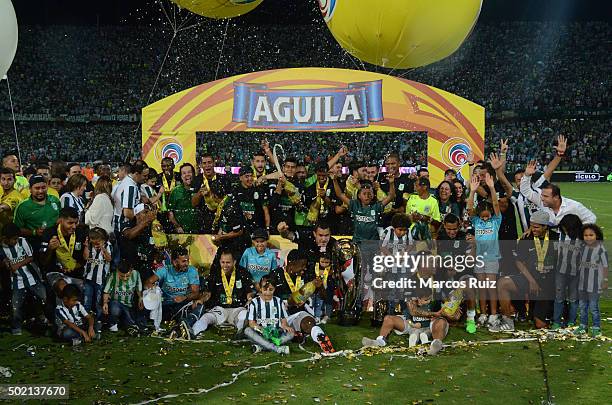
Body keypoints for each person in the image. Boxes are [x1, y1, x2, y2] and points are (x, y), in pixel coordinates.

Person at [494, 210, 560, 332]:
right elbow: (518, 261)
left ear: (545, 226)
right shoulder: (526, 238)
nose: (533, 229)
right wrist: (531, 281)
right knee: (502, 283)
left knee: (539, 325)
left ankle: (548, 315)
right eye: (531, 226)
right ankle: (508, 322)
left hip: (548, 285)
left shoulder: (557, 238)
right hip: (530, 278)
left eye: (536, 227)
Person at [269, 249, 335, 353]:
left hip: (296, 316)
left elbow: (325, 297)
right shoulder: (275, 275)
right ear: (291, 263)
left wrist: (320, 286)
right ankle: (295, 335)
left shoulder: (306, 275)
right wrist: (290, 301)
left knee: (309, 321)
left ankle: (322, 339)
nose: (304, 268)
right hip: (279, 317)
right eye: (302, 265)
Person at [362, 286, 461, 355]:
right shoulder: (411, 302)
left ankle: (436, 344)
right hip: (414, 325)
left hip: (429, 326)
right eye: (426, 299)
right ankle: (380, 342)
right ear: (418, 299)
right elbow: (411, 314)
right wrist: (411, 324)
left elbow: (446, 313)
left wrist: (452, 316)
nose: (429, 301)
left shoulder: (436, 301)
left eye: (430, 299)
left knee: (441, 322)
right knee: (388, 318)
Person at [185, 250, 254, 339]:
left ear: (234, 262)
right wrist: (201, 300)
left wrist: (250, 299)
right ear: (220, 262)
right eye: (223, 262)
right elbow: (208, 292)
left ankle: (239, 333)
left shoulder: (243, 273)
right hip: (220, 309)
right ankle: (193, 333)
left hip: (238, 309)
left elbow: (249, 292)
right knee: (206, 317)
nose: (225, 265)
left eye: (228, 262)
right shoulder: (215, 273)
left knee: (244, 316)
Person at [467, 174, 502, 330]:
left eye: (488, 216)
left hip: (492, 258)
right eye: (483, 217)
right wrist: (472, 191)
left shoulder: (496, 220)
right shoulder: (477, 221)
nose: (486, 219)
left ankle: (493, 314)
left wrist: (492, 187)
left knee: (491, 287)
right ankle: (483, 313)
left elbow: (495, 203)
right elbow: (469, 209)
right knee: (481, 287)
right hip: (479, 259)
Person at [0, 223, 48, 335]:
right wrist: (4, 264)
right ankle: (16, 327)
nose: (16, 241)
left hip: (32, 277)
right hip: (16, 282)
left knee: (43, 298)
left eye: (16, 238)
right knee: (15, 306)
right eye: (13, 239)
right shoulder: (1, 249)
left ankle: (41, 318)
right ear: (5, 238)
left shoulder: (23, 241)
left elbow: (31, 257)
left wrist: (17, 265)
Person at [436, 214, 478, 333]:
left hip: (462, 275)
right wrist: (446, 268)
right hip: (446, 278)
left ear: (459, 226)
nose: (452, 232)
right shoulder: (440, 238)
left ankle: (471, 319)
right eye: (449, 229)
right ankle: (447, 307)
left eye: (455, 229)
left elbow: (471, 261)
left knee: (469, 285)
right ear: (444, 226)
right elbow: (438, 260)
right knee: (451, 317)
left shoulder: (465, 237)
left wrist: (474, 245)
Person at [519, 161, 596, 226]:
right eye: (542, 195)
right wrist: (526, 175)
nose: (542, 198)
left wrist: (578, 231)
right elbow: (525, 191)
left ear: (556, 197)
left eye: (546, 196)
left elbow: (591, 218)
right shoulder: (541, 202)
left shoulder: (573, 206)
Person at [331, 172, 396, 243]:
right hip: (357, 241)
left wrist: (391, 183)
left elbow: (390, 197)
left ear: (373, 195)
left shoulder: (376, 206)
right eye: (364, 194)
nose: (367, 196)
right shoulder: (354, 205)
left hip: (373, 242)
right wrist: (334, 180)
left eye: (369, 193)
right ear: (359, 195)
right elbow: (340, 194)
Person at [145, 247, 201, 322]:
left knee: (198, 306)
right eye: (183, 261)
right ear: (175, 262)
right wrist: (152, 289)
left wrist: (184, 297)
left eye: (188, 260)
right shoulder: (165, 270)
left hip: (183, 303)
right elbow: (148, 282)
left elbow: (196, 293)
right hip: (166, 302)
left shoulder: (192, 271)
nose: (187, 264)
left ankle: (182, 321)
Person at [244, 274, 294, 354]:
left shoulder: (279, 302)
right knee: (247, 330)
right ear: (260, 288)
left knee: (291, 332)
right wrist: (262, 329)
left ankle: (262, 346)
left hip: (276, 333)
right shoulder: (254, 302)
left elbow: (283, 319)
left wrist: (285, 325)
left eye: (271, 290)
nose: (267, 292)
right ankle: (276, 348)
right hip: (260, 333)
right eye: (265, 289)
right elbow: (251, 323)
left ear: (275, 289)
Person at [574, 224, 608, 337]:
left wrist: (605, 280)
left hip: (595, 284)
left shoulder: (601, 249)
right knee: (582, 306)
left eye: (591, 235)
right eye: (586, 235)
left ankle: (596, 327)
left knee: (593, 307)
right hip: (582, 283)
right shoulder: (582, 248)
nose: (588, 237)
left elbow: (605, 266)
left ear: (597, 235)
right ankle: (583, 326)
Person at [551, 214, 583, 329]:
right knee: (559, 297)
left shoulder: (581, 238)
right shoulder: (559, 234)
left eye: (566, 228)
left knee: (573, 299)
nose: (564, 229)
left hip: (576, 273)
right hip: (560, 271)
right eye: (563, 227)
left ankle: (571, 321)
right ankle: (556, 321)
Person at [13, 175, 61, 250]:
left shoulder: (55, 200)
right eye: (37, 188)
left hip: (56, 239)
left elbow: (61, 217)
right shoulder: (23, 207)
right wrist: (34, 232)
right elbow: (16, 229)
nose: (41, 191)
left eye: (43, 187)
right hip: (35, 243)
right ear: (30, 189)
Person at [39, 207, 88, 276]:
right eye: (70, 223)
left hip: (77, 271)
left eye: (76, 223)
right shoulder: (49, 233)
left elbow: (85, 259)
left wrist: (75, 266)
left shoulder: (81, 233)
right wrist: (49, 249)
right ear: (60, 220)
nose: (74, 226)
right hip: (55, 272)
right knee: (65, 286)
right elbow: (43, 262)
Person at [82, 227, 113, 332]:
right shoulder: (89, 246)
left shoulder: (108, 246)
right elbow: (85, 258)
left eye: (98, 240)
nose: (95, 243)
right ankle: (85, 322)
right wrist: (86, 246)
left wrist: (103, 249)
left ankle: (99, 322)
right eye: (93, 240)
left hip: (100, 280)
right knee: (87, 300)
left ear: (104, 239)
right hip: (88, 278)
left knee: (98, 302)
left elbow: (109, 259)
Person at [191, 154, 231, 233]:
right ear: (201, 165)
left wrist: (215, 198)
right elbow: (193, 203)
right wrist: (199, 193)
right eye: (204, 163)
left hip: (221, 221)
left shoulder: (224, 180)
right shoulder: (196, 180)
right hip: (203, 222)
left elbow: (228, 203)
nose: (207, 165)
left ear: (214, 164)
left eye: (209, 162)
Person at [103, 260, 144, 332]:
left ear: (131, 270)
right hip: (116, 303)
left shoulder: (136, 274)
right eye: (122, 276)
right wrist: (105, 303)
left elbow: (138, 288)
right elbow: (106, 291)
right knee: (115, 307)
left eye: (127, 276)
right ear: (118, 271)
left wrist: (140, 298)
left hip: (128, 306)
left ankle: (123, 322)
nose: (125, 278)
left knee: (131, 324)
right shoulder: (113, 275)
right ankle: (113, 323)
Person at [167, 163, 199, 233]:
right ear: (181, 176)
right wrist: (177, 226)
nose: (187, 175)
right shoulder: (175, 191)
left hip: (199, 231)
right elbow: (170, 211)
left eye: (189, 172)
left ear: (194, 174)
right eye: (184, 173)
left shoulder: (199, 189)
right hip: (181, 232)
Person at [311, 251, 335, 324]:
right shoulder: (315, 267)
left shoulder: (332, 269)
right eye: (322, 262)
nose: (324, 264)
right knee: (317, 302)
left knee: (328, 302)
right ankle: (316, 316)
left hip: (328, 289)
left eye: (326, 262)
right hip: (317, 289)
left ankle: (327, 316)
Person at [0, 168, 23, 234]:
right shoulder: (1, 191)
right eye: (3, 179)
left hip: (9, 234)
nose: (6, 183)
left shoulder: (17, 196)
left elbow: (2, 207)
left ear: (14, 180)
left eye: (9, 179)